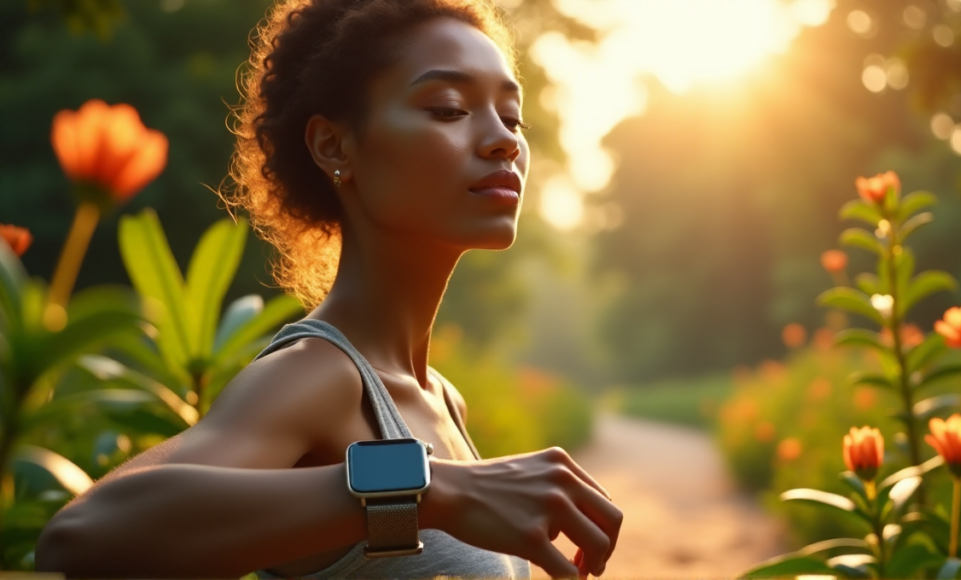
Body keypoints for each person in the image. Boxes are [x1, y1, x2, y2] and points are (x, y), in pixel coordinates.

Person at [33, 0, 622, 578]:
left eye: (513, 118)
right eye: (448, 108)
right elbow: (81, 537)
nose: (504, 141)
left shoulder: (443, 400)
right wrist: (430, 490)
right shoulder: (321, 376)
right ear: (334, 146)